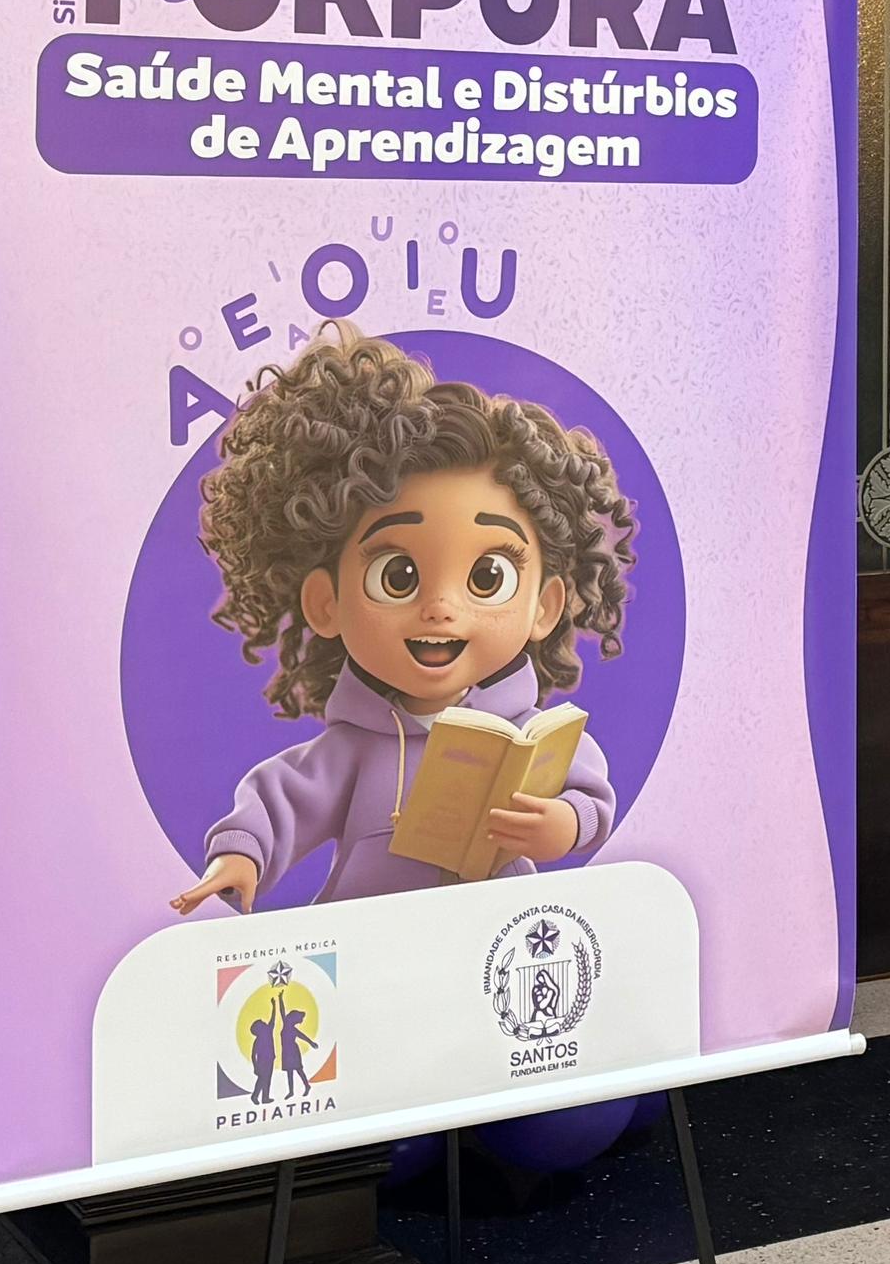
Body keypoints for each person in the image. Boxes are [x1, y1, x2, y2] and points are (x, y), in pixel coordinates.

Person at [166, 330, 633, 916]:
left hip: (493, 936)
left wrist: (562, 823)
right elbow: (279, 800)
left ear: (545, 605)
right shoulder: (354, 750)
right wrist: (240, 855)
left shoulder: (530, 739)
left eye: (487, 577)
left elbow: (586, 795)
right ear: (326, 604)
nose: (440, 607)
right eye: (398, 576)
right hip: (368, 939)